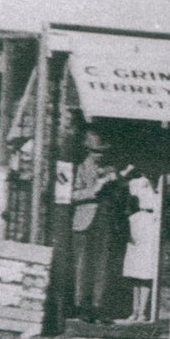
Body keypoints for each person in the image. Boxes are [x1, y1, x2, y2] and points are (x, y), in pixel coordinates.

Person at [71, 130, 129, 323]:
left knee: (103, 264)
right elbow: (71, 195)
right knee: (83, 265)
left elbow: (122, 196)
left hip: (106, 220)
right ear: (88, 151)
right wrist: (94, 190)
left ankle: (99, 305)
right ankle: (82, 306)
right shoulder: (80, 168)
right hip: (85, 221)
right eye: (96, 152)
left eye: (103, 152)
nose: (101, 155)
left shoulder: (111, 169)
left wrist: (118, 182)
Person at [121, 169, 159, 322]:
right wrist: (128, 171)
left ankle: (142, 311)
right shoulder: (135, 183)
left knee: (147, 270)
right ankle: (134, 310)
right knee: (135, 270)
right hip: (137, 222)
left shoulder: (160, 184)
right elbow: (121, 184)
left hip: (153, 223)